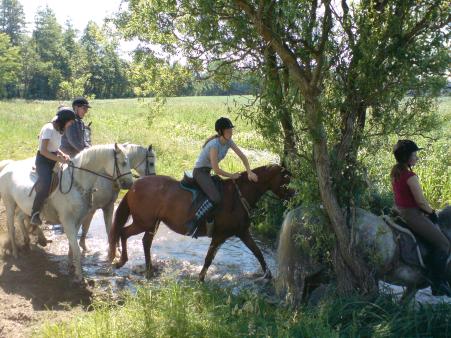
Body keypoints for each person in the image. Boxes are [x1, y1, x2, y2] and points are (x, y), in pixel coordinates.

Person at [391, 139, 451, 296]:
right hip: (413, 215)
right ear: (407, 157)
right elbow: (421, 202)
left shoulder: (396, 172)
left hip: (401, 212)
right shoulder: (410, 176)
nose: (416, 157)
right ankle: (437, 283)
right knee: (444, 244)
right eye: (414, 154)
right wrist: (431, 212)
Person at [186, 117, 259, 236]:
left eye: (231, 130)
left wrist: (249, 171)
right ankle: (193, 222)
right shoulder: (214, 145)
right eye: (228, 130)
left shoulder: (229, 142)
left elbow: (242, 156)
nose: (231, 132)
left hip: (207, 172)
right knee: (215, 198)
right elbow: (216, 169)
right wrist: (232, 176)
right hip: (200, 172)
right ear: (220, 132)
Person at [30, 107, 76, 226]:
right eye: (70, 122)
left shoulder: (58, 129)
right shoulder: (48, 129)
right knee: (45, 183)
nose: (70, 125)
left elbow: (54, 147)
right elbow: (44, 151)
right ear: (64, 120)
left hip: (53, 158)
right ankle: (34, 213)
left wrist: (63, 154)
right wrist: (59, 159)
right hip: (43, 161)